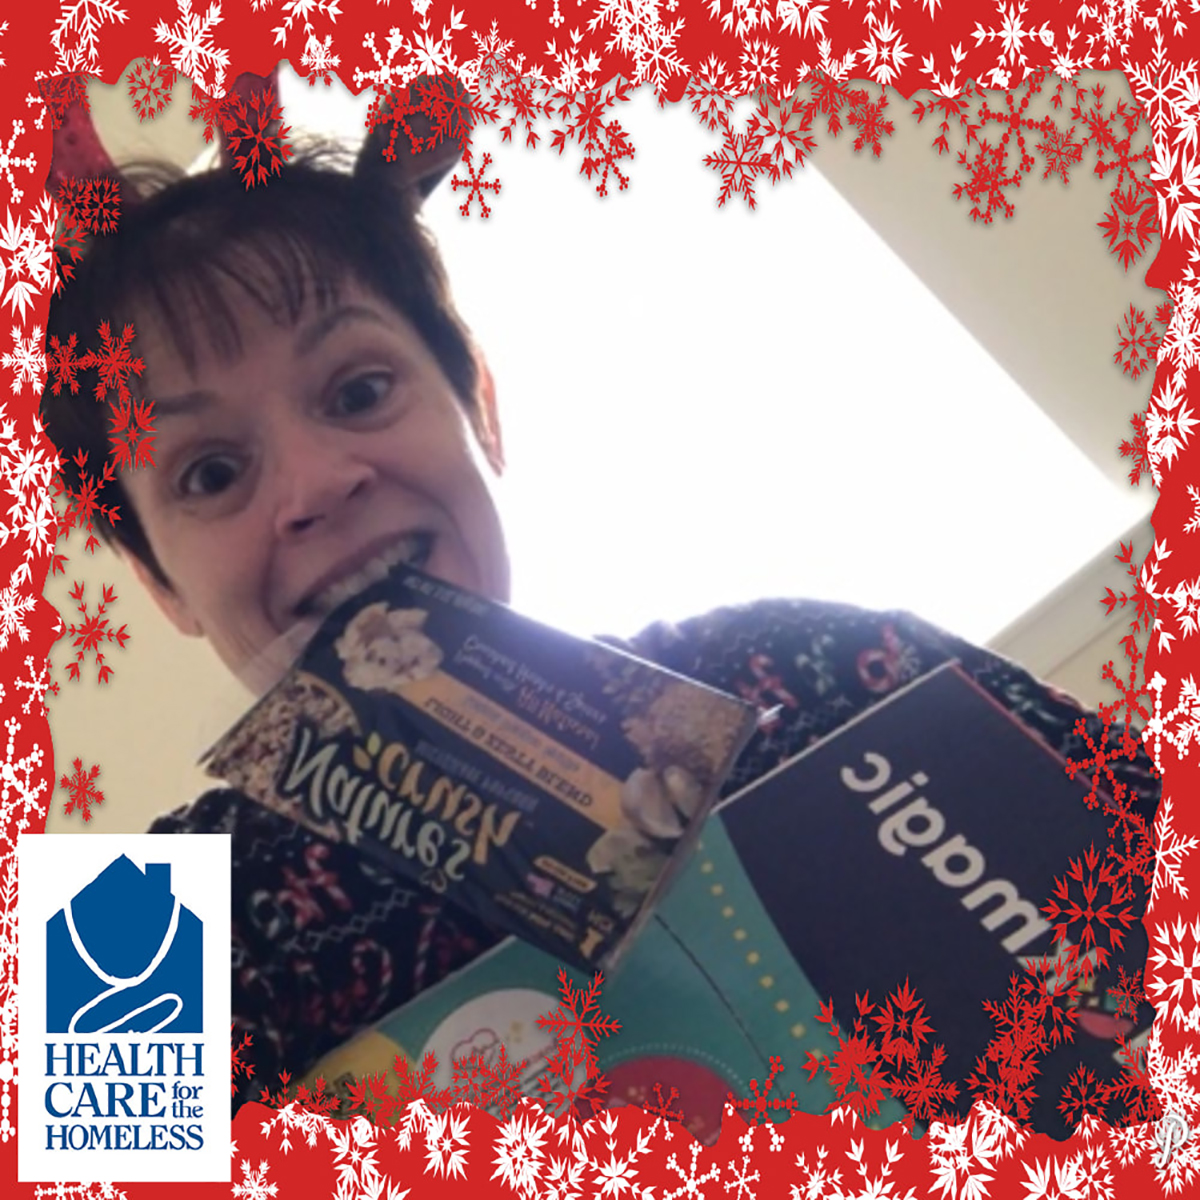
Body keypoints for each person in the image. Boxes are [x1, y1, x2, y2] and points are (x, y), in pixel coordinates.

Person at [39, 78, 1161, 1129]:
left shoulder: (827, 672)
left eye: (360, 389)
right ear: (162, 584)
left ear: (479, 405)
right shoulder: (125, 944)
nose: (315, 485)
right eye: (210, 473)